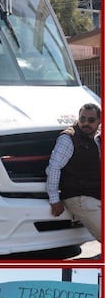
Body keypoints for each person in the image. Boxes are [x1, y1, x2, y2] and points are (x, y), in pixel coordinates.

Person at [45, 103, 101, 242]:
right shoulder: (68, 138)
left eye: (91, 120)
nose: (86, 123)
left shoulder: (97, 138)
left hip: (96, 194)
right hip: (80, 198)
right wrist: (54, 199)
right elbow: (53, 168)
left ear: (100, 121)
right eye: (82, 119)